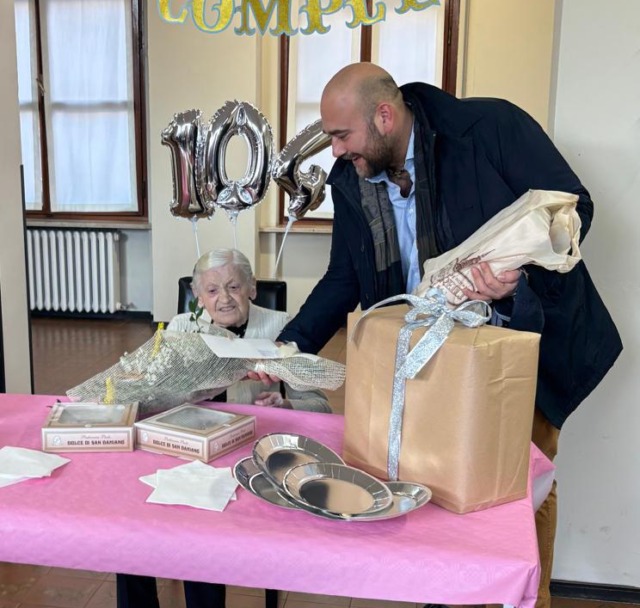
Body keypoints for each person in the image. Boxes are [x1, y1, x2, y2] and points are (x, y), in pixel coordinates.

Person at [272, 62, 622, 608]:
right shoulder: (353, 176)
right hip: (426, 361)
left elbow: (574, 209)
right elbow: (344, 277)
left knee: (519, 490)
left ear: (384, 116)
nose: (335, 150)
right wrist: (285, 350)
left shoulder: (490, 129)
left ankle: (525, 600)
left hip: (517, 345)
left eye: (342, 135)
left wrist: (515, 278)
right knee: (434, 484)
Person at [117, 247, 331, 608]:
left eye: (234, 287)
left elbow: (321, 406)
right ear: (198, 296)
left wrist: (287, 405)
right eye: (212, 290)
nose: (225, 299)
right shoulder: (180, 328)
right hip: (185, 451)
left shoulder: (283, 328)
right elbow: (148, 398)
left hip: (245, 460)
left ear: (252, 288)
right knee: (130, 529)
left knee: (200, 536)